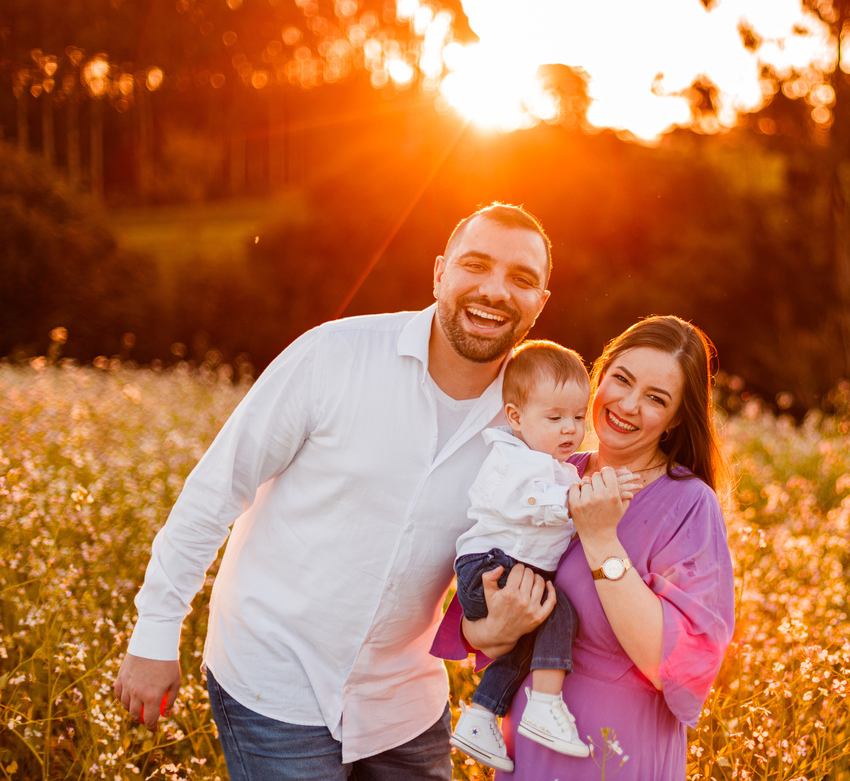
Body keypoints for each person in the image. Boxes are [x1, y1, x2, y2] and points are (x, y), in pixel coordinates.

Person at [113, 203, 563, 781]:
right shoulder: (334, 355)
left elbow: (529, 553)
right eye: (475, 265)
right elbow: (215, 489)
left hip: (404, 698)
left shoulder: (535, 426)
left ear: (541, 302)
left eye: (522, 279)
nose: (495, 290)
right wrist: (154, 631)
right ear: (439, 273)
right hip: (273, 680)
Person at [433, 315, 737, 781]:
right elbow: (480, 629)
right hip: (527, 750)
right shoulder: (550, 471)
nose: (629, 405)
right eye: (622, 380)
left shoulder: (689, 503)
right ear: (600, 375)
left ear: (676, 417)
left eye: (656, 398)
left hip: (616, 751)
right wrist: (497, 625)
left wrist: (600, 538)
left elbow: (671, 664)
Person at [450, 340, 637, 771]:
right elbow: (528, 501)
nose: (569, 428)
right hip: (491, 568)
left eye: (576, 415)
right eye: (554, 418)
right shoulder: (512, 460)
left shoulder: (554, 464)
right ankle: (544, 705)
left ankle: (479, 717)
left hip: (508, 566)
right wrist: (579, 498)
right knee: (559, 614)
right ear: (515, 416)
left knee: (525, 643)